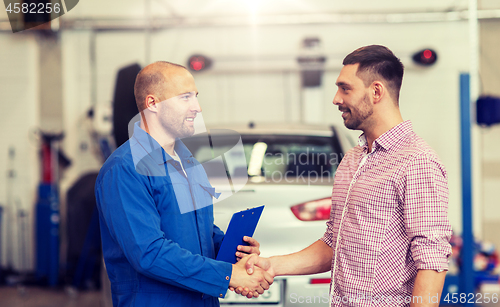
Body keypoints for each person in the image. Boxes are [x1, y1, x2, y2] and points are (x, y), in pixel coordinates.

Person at [239, 45, 452, 306]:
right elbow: (334, 244)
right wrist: (271, 265)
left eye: (345, 88)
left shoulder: (417, 162)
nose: (336, 98)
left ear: (376, 91)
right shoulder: (353, 159)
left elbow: (431, 261)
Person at [95, 61, 272, 307]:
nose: (197, 108)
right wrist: (230, 275)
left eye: (196, 97)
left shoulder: (189, 163)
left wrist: (234, 252)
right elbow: (149, 253)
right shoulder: (124, 169)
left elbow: (202, 231)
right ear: (152, 103)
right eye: (185, 98)